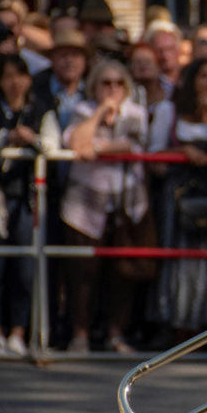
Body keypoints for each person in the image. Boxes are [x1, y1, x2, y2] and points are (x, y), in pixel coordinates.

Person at [62, 59, 150, 353]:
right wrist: (100, 112)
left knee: (122, 272)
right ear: (95, 86)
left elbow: (133, 144)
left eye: (119, 83)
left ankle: (115, 334)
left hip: (126, 201)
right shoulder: (83, 110)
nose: (113, 89)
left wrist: (96, 148)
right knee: (82, 271)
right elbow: (75, 142)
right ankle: (81, 334)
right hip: (85, 204)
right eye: (106, 83)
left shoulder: (136, 112)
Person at [150, 58, 207, 342]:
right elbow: (153, 157)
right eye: (203, 76)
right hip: (178, 194)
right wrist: (182, 150)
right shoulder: (168, 110)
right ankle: (174, 325)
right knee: (179, 260)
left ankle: (204, 326)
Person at [0, 54, 61, 356]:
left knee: (25, 266)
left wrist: (32, 138)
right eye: (7, 76)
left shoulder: (41, 109)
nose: (14, 83)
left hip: (27, 197)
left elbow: (53, 146)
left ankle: (19, 331)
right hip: (0, 196)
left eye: (19, 75)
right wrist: (7, 137)